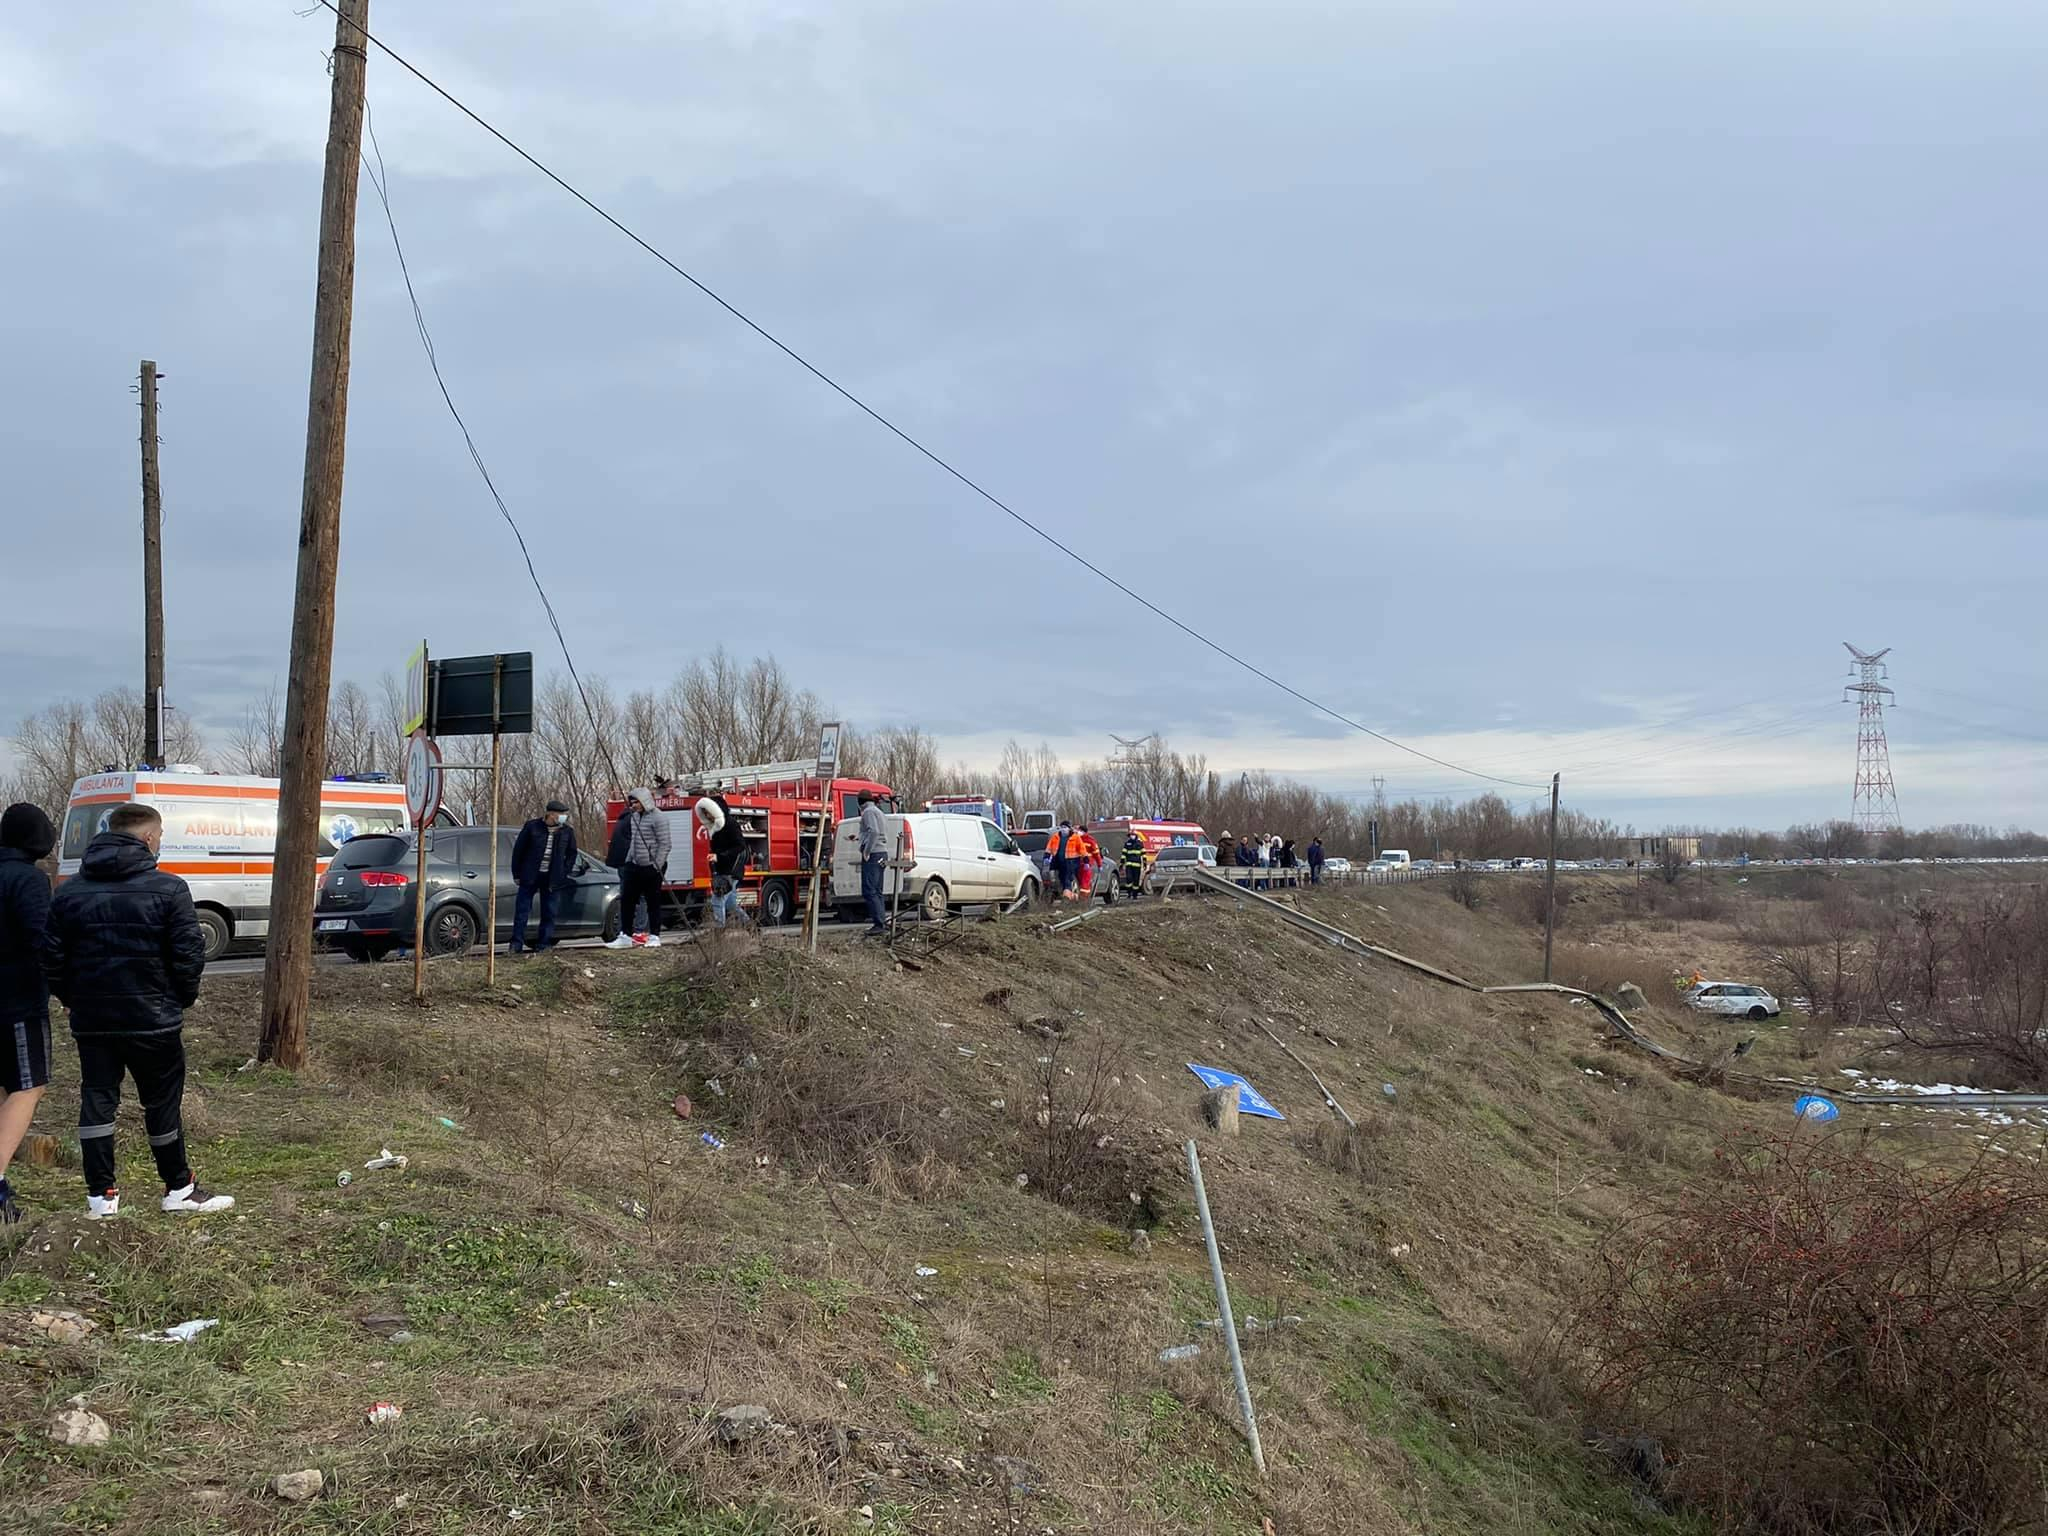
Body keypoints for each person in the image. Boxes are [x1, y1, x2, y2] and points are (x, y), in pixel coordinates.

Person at [42, 802, 231, 1219]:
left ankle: (101, 1197)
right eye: (159, 836)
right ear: (148, 838)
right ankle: (178, 1188)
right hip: (153, 1019)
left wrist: (73, 999)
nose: (160, 843)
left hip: (93, 1020)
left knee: (97, 1099)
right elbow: (188, 955)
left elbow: (52, 958)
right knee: (161, 1104)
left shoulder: (69, 892)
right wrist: (180, 999)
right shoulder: (170, 889)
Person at [0, 804, 57, 1224]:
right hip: (17, 1001)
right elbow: (43, 941)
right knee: (27, 1087)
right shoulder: (28, 879)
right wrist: (67, 988)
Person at [510, 800, 578, 954]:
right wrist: (517, 873)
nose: (564, 817)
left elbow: (572, 853)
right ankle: (516, 944)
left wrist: (564, 872)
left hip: (552, 878)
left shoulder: (567, 832)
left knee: (549, 912)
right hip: (530, 875)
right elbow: (519, 851)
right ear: (551, 814)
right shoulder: (532, 827)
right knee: (522, 911)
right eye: (561, 814)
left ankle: (543, 944)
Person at [608, 788, 671, 949]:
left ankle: (654, 935)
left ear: (645, 801)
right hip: (634, 865)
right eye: (632, 802)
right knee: (627, 901)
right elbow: (634, 841)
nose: (633, 805)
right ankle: (625, 935)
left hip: (652, 867)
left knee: (652, 901)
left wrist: (656, 866)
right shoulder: (634, 817)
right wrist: (629, 860)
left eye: (636, 802)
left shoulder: (659, 817)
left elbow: (665, 844)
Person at [702, 793, 748, 931]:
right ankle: (750, 926)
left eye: (708, 812)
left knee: (717, 899)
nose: (706, 815)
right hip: (724, 869)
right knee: (730, 904)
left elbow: (740, 846)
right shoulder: (716, 826)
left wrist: (719, 857)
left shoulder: (730, 825)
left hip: (730, 869)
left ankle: (718, 931)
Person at [857, 789, 890, 935]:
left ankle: (879, 924)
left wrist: (866, 851)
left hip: (874, 854)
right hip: (882, 852)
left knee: (869, 890)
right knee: (877, 891)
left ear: (860, 801)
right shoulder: (879, 812)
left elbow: (874, 831)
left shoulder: (868, 812)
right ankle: (882, 922)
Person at [1121, 831, 1147, 898]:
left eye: (1133, 835)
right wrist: (1122, 863)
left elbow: (1143, 853)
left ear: (1136, 835)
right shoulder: (1127, 843)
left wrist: (1145, 862)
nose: (1131, 836)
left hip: (1137, 865)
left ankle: (1135, 895)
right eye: (1130, 835)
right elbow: (1124, 854)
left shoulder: (1140, 843)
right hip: (1129, 864)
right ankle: (1129, 893)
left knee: (1136, 880)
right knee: (1129, 879)